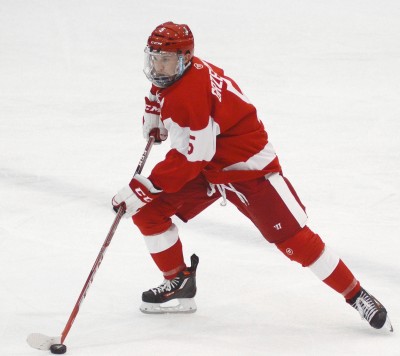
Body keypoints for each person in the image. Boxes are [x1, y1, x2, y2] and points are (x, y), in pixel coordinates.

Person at [112, 22, 393, 331]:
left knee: (294, 240)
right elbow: (179, 118)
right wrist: (154, 105)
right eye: (154, 58)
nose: (158, 67)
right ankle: (178, 282)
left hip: (248, 170)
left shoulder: (189, 95)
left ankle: (357, 295)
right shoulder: (184, 74)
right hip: (211, 167)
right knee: (150, 213)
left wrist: (147, 186)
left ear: (186, 57)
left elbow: (194, 155)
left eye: (166, 60)